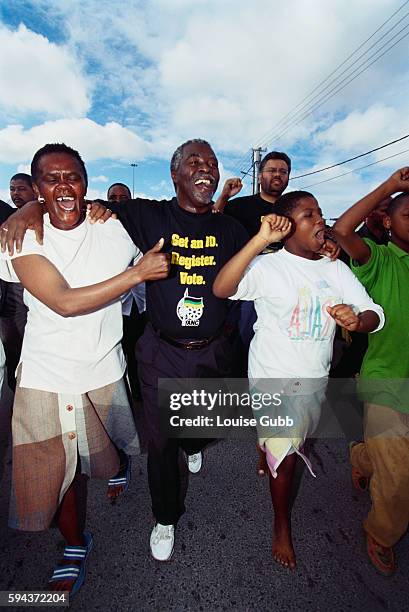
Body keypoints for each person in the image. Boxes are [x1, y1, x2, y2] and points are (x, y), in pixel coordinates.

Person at [0, 139, 249, 563]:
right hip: (127, 358)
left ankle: (185, 447)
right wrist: (28, 209)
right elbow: (64, 282)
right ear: (175, 174)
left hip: (180, 357)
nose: (204, 168)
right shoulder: (134, 218)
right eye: (193, 161)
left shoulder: (219, 230)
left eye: (211, 161)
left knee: (186, 434)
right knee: (153, 446)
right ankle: (156, 519)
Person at [0, 143, 170, 595]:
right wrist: (137, 275)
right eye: (50, 180)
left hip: (103, 367)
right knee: (61, 475)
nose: (63, 187)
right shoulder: (21, 236)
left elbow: (181, 220)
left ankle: (115, 466)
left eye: (72, 177)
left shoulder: (115, 227)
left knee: (108, 445)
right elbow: (63, 302)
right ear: (36, 188)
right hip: (45, 375)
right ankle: (76, 544)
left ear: (86, 182)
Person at [213, 190, 384, 570]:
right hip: (271, 377)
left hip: (313, 380)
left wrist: (359, 321)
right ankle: (281, 523)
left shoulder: (335, 269)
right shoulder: (267, 266)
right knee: (287, 458)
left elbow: (374, 311)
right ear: (288, 226)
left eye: (320, 212)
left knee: (289, 440)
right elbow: (222, 288)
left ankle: (267, 450)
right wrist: (259, 240)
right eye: (309, 215)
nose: (320, 220)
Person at [333, 168, 409, 576]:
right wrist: (390, 187)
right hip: (386, 383)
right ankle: (382, 533)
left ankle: (360, 459)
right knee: (398, 479)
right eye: (408, 215)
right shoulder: (377, 259)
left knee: (384, 456)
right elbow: (344, 229)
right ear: (387, 222)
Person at [107, 182, 146, 399]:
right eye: (113, 198)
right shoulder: (99, 229)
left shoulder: (142, 226)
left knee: (144, 353)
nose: (118, 202)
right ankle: (127, 398)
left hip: (144, 305)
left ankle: (142, 395)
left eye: (123, 198)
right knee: (122, 353)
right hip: (116, 306)